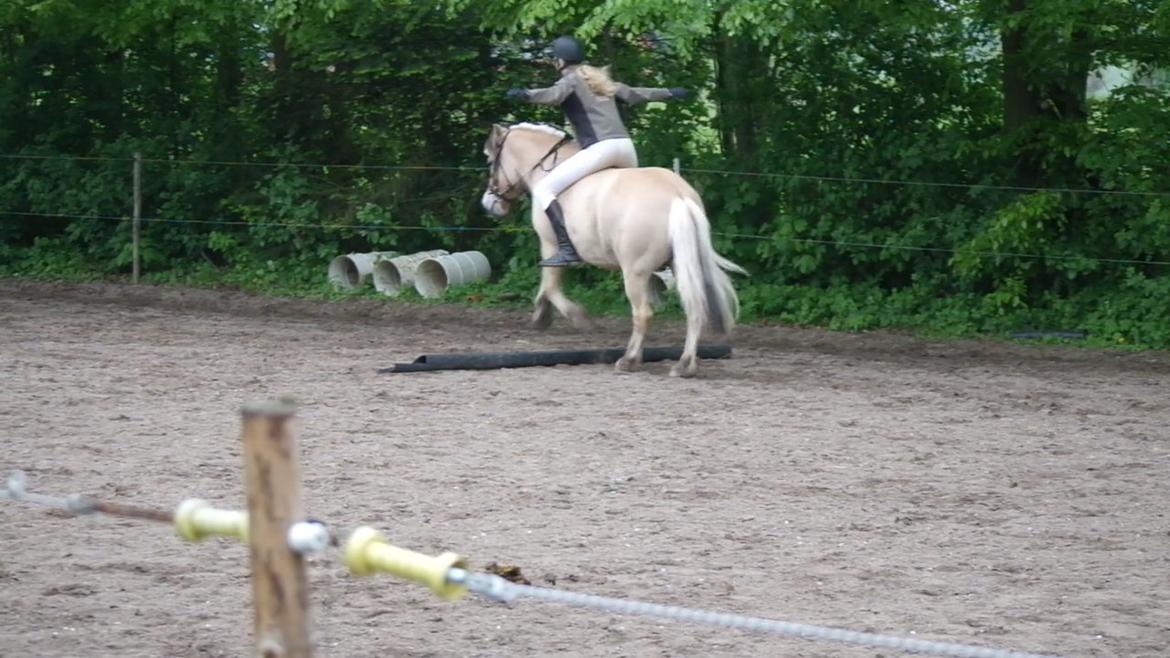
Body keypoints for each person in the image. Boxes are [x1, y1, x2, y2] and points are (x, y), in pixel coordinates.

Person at [506, 35, 690, 267]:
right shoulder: (600, 81)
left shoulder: (571, 80)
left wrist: (525, 95)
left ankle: (567, 249)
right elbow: (636, 93)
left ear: (560, 61)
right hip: (626, 149)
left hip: (601, 149)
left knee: (544, 188)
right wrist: (670, 92)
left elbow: (553, 96)